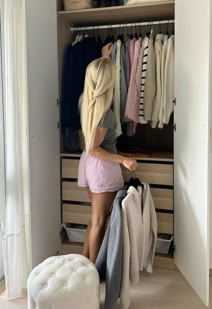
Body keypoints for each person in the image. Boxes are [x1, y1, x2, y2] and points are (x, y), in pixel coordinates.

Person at [78, 47, 138, 263]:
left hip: (88, 165)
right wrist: (122, 159)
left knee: (94, 219)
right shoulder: (106, 112)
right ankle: (93, 273)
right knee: (100, 221)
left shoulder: (85, 101)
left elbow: (88, 146)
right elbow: (94, 147)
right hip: (101, 167)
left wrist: (104, 58)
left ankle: (84, 262)